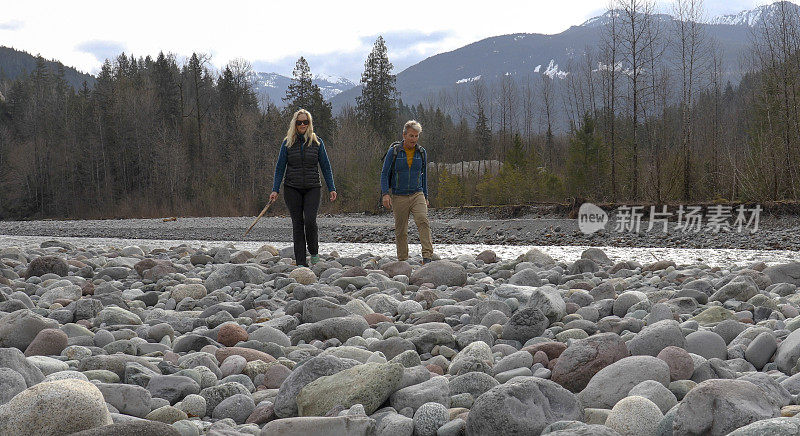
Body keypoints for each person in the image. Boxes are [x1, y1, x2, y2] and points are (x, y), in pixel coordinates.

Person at [270, 109, 336, 266]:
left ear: (309, 124)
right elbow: (280, 168)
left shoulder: (317, 142)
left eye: (305, 122)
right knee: (297, 224)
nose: (302, 124)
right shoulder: (287, 143)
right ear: (295, 123)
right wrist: (275, 189)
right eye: (299, 122)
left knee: (310, 221)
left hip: (313, 187)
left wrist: (332, 188)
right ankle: (301, 263)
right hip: (292, 188)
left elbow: (326, 167)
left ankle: (313, 251)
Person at [380, 120, 433, 264]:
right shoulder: (394, 151)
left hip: (417, 193)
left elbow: (424, 175)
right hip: (399, 195)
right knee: (401, 230)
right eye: (411, 136)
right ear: (404, 135)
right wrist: (385, 194)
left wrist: (426, 196)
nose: (414, 139)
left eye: (416, 136)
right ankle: (403, 260)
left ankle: (427, 257)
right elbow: (384, 173)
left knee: (423, 221)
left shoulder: (422, 153)